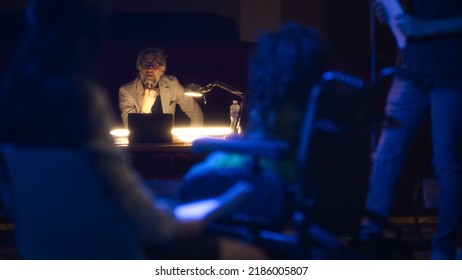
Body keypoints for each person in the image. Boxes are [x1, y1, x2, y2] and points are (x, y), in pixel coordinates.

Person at [0, 0, 264, 260]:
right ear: (89, 36)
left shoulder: (14, 99)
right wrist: (180, 224)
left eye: (156, 64)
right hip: (114, 249)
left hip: (46, 249)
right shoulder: (84, 99)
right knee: (251, 255)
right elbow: (130, 206)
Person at [180, 22, 326, 234]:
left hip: (274, 170)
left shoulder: (281, 107)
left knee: (193, 179)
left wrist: (237, 145)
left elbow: (270, 143)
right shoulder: (318, 97)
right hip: (299, 174)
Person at [362, 0, 462, 259]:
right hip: (411, 66)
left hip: (453, 69)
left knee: (446, 162)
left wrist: (427, 27)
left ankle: (443, 247)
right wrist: (392, 15)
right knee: (386, 154)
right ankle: (371, 235)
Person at [118, 48, 204, 128]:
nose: (150, 69)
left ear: (162, 69)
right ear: (139, 68)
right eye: (145, 64)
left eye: (154, 64)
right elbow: (130, 128)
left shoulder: (172, 84)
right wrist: (145, 109)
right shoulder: (126, 91)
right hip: (143, 143)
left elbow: (195, 112)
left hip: (169, 142)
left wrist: (193, 139)